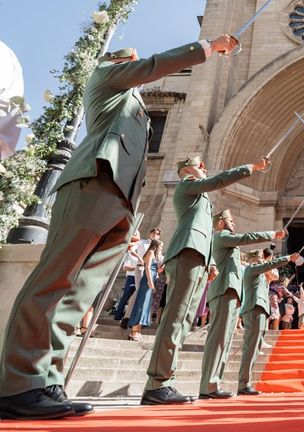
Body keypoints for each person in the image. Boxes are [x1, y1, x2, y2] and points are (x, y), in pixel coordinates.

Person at [0, 35, 238, 421]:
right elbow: (150, 67)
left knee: (80, 293)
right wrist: (208, 48)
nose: (138, 65)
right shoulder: (107, 77)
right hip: (95, 178)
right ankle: (18, 382)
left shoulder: (133, 101)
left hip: (123, 196)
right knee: (54, 280)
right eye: (132, 61)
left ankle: (48, 380)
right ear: (118, 61)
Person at [143, 154, 270, 406]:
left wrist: (210, 262)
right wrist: (250, 167)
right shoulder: (187, 186)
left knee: (184, 320)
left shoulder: (201, 197)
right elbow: (218, 181)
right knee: (175, 318)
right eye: (200, 165)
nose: (204, 168)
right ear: (189, 169)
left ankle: (166, 381)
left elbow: (206, 235)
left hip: (199, 256)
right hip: (186, 252)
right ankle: (157, 382)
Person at [198, 209, 286, 400]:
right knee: (218, 339)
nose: (234, 223)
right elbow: (247, 237)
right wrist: (272, 234)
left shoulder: (227, 241)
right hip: (223, 290)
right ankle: (208, 385)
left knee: (226, 341)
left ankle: (214, 384)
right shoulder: (221, 236)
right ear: (220, 223)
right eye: (230, 220)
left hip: (231, 293)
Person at [237, 250, 298, 395]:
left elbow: (274, 275)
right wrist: (288, 258)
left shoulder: (263, 274)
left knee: (256, 347)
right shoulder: (251, 269)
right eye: (261, 258)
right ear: (255, 259)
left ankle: (246, 382)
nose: (263, 260)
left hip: (262, 309)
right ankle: (243, 383)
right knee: (251, 346)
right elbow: (268, 266)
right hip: (253, 308)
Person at [128, 240, 163, 341]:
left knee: (145, 306)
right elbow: (147, 268)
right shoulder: (151, 252)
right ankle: (134, 330)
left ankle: (137, 330)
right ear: (156, 246)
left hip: (150, 280)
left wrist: (159, 270)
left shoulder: (154, 255)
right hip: (147, 281)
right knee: (141, 304)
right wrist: (150, 281)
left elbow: (153, 269)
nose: (161, 248)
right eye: (161, 246)